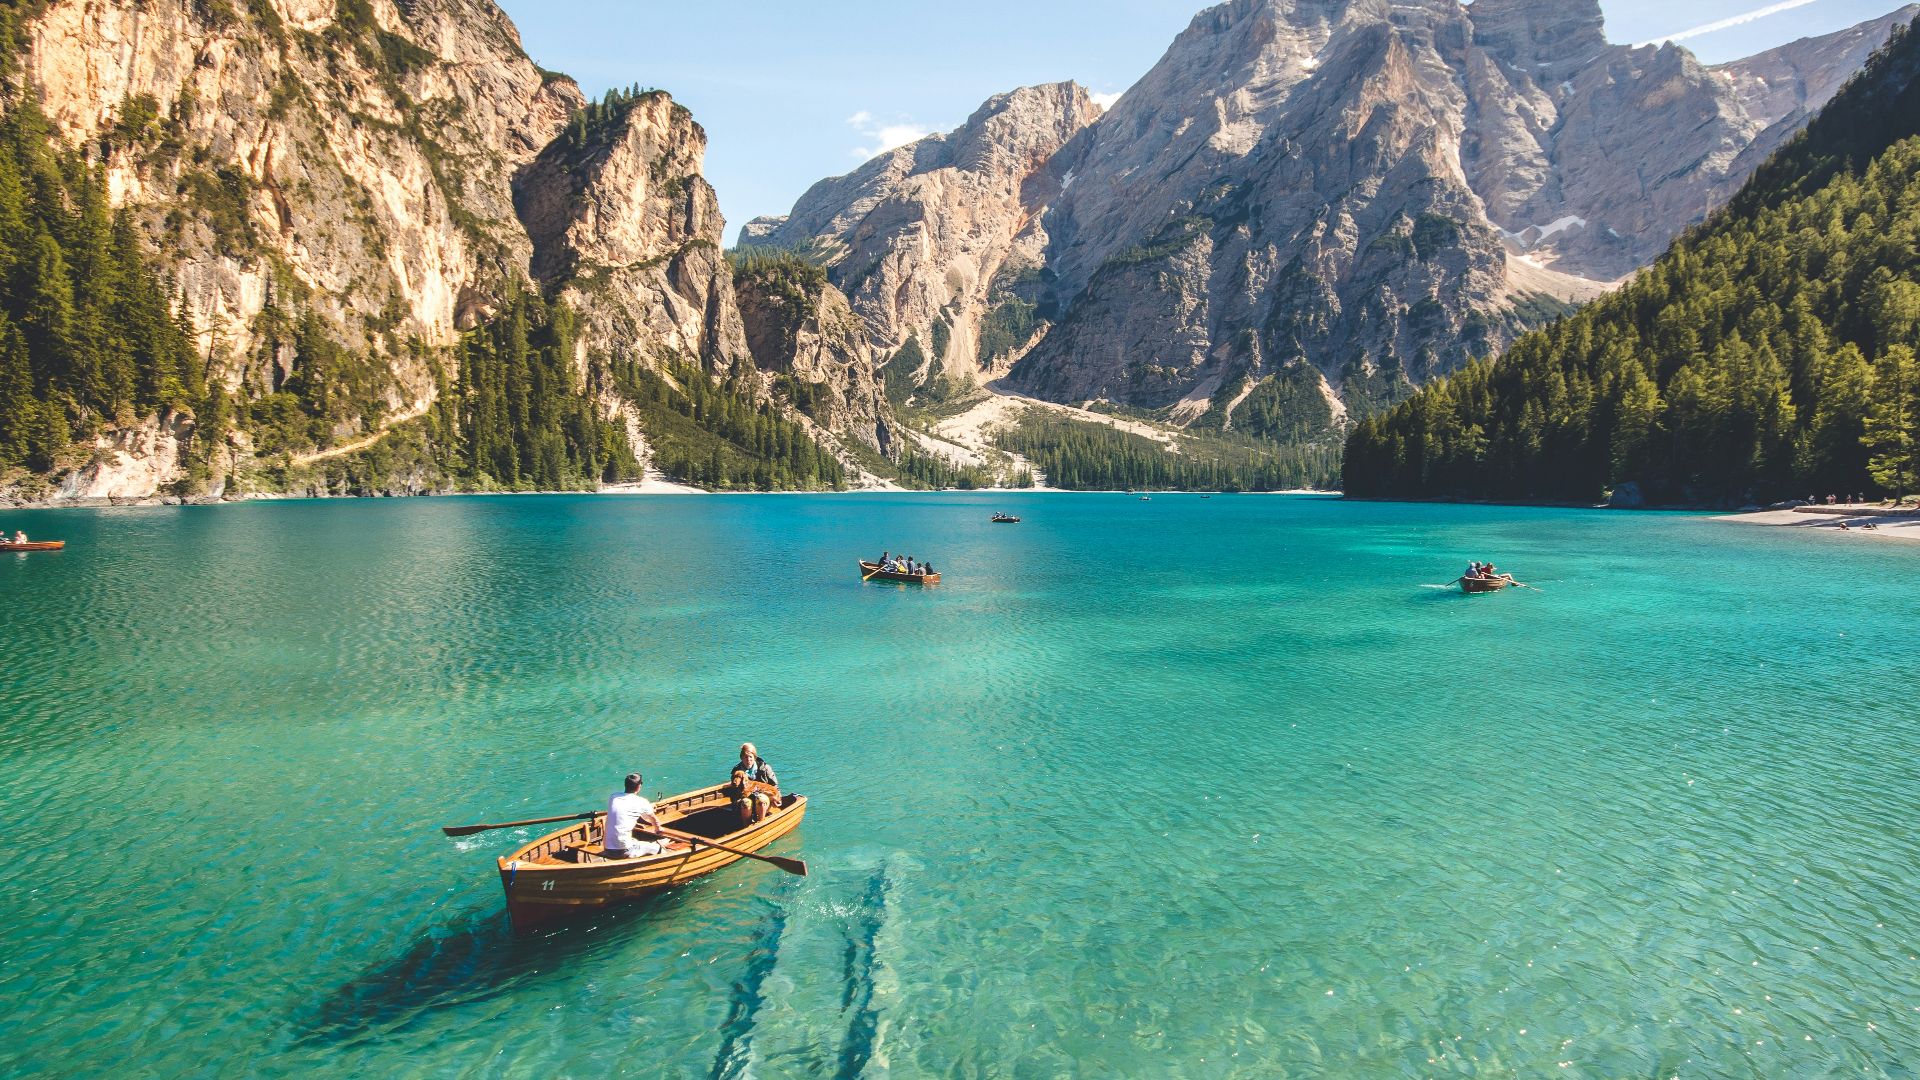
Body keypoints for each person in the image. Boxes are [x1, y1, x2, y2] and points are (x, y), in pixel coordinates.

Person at [603, 772, 684, 859]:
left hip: (607, 847)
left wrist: (648, 807)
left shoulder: (614, 796)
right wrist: (658, 829)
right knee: (660, 849)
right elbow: (653, 819)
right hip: (624, 850)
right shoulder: (642, 802)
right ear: (639, 786)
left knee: (634, 841)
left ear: (625, 785)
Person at [728, 742, 779, 826]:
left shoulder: (765, 768)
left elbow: (774, 786)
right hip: (745, 797)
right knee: (745, 802)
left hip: (764, 797)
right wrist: (735, 803)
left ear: (754, 757)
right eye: (745, 757)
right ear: (741, 757)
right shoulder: (736, 771)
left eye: (750, 757)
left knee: (761, 799)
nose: (748, 760)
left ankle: (761, 823)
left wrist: (777, 800)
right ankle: (746, 826)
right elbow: (733, 790)